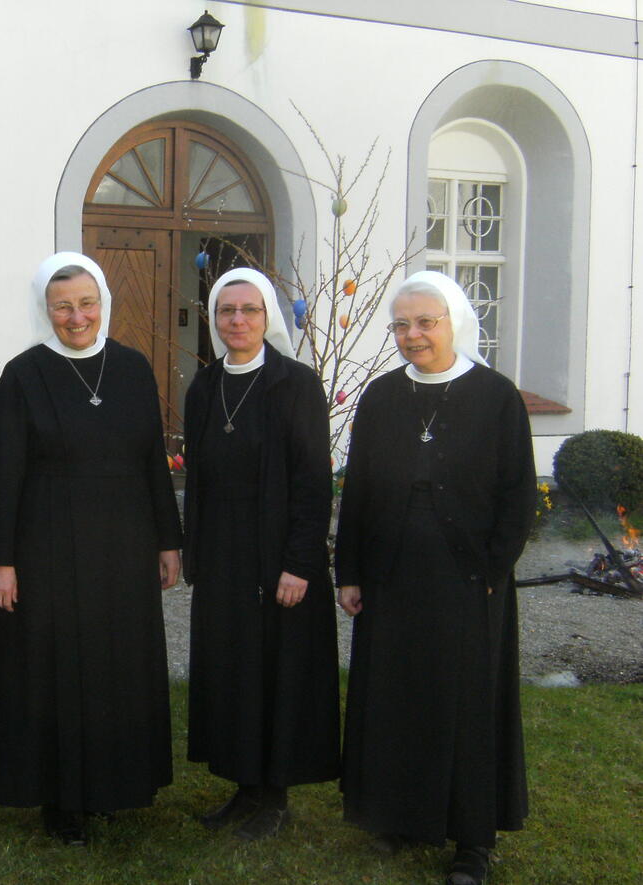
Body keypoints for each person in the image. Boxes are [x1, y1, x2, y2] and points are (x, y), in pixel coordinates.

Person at [336, 271, 536, 885]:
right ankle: (400, 816)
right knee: (396, 697)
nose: (413, 335)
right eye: (401, 325)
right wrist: (349, 571)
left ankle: (473, 839)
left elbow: (519, 495)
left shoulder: (496, 396)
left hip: (466, 578)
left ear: (455, 323)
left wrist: (491, 571)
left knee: (467, 704)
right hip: (392, 576)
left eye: (426, 322)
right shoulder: (380, 397)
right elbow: (359, 491)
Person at [0, 252, 182, 846]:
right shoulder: (22, 373)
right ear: (46, 310)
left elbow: (151, 461)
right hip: (46, 541)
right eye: (62, 307)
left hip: (123, 540)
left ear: (103, 305)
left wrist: (168, 540)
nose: (76, 317)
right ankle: (61, 797)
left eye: (87, 304)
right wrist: (2, 559)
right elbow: (2, 472)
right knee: (54, 665)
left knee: (116, 660)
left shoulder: (133, 368)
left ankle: (116, 784)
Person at [182, 267, 340, 841]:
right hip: (224, 554)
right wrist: (193, 551)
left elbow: (312, 482)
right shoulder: (203, 387)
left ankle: (275, 794)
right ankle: (244, 784)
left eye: (249, 310)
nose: (238, 321)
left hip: (277, 555)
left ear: (267, 316)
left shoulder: (295, 384)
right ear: (214, 319)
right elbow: (197, 478)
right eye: (227, 311)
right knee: (232, 670)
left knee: (276, 672)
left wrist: (300, 562)